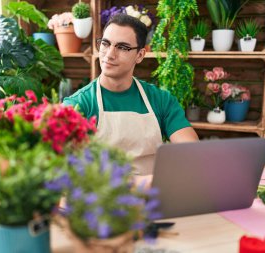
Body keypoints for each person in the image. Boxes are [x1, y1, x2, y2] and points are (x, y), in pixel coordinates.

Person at [63, 13, 199, 175]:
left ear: (140, 55)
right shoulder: (79, 104)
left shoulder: (161, 100)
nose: (109, 54)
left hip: (152, 195)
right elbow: (67, 168)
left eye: (122, 47)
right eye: (105, 44)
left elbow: (192, 152)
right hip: (102, 196)